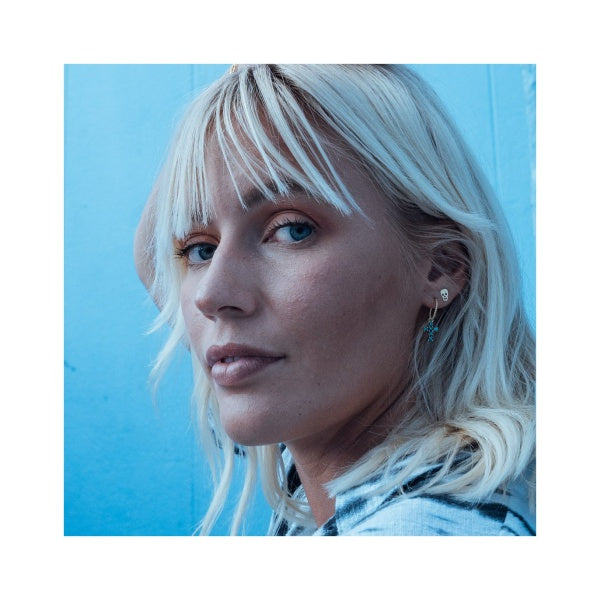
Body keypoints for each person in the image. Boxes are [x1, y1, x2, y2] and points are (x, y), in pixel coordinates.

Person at [134, 64, 535, 536]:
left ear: (441, 267)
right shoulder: (342, 437)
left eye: (292, 230)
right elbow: (153, 255)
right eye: (200, 250)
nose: (210, 296)